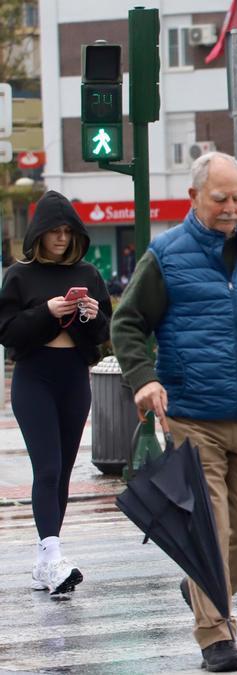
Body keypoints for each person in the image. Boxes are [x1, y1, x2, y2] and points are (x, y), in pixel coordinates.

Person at [112, 152, 237, 673]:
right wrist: (144, 379)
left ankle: (199, 586)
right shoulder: (166, 255)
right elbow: (127, 323)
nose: (232, 208)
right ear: (195, 196)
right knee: (210, 531)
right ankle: (216, 635)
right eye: (221, 198)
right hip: (194, 417)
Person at [0, 190, 111, 596]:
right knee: (46, 469)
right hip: (34, 377)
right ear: (39, 234)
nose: (61, 238)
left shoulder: (89, 275)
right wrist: (46, 312)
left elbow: (101, 335)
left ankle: (46, 561)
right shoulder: (19, 275)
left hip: (74, 378)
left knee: (62, 472)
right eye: (54, 232)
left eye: (68, 231)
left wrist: (91, 316)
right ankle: (51, 556)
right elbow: (7, 332)